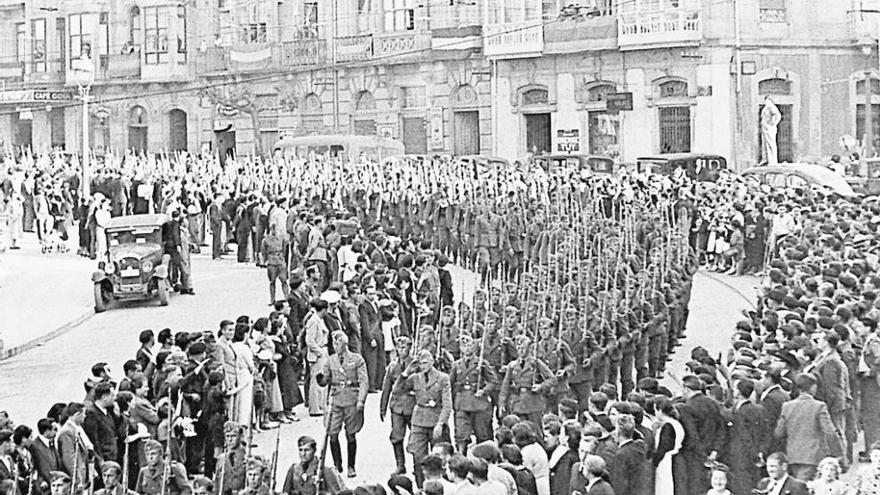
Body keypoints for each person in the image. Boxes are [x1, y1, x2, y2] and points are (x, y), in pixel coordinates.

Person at [396, 350, 452, 488]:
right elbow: (397, 390)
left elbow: (447, 405)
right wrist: (406, 372)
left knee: (439, 457)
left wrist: (440, 423)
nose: (423, 365)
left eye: (425, 362)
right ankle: (422, 487)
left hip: (435, 420)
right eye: (420, 363)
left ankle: (441, 486)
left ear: (432, 362)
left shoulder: (442, 378)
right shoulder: (415, 378)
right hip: (419, 420)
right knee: (418, 457)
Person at [316, 332, 368, 478]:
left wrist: (361, 400)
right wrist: (321, 379)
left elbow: (364, 381)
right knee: (332, 433)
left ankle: (351, 466)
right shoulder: (330, 360)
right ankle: (337, 465)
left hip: (351, 399)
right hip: (336, 400)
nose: (335, 346)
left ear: (345, 345)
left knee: (351, 434)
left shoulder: (357, 359)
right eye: (334, 344)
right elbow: (325, 379)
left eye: (338, 343)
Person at [774, 373, 840, 481]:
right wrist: (837, 453)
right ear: (813, 387)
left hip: (792, 455)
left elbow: (779, 433)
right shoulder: (819, 406)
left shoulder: (787, 406)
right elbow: (829, 432)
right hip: (814, 455)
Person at [448, 334, 497, 454]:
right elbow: (449, 383)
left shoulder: (481, 363)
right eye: (464, 346)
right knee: (461, 435)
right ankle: (461, 460)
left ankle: (483, 460)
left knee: (482, 435)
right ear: (461, 348)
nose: (467, 348)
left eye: (470, 345)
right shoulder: (457, 365)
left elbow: (493, 381)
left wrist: (484, 390)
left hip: (478, 403)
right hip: (462, 403)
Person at [380, 336, 416, 475]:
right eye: (399, 347)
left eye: (404, 347)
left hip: (412, 406)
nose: (402, 350)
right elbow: (386, 388)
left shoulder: (415, 365)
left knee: (415, 437)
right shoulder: (392, 367)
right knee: (396, 436)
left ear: (409, 348)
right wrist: (382, 408)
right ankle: (400, 464)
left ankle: (416, 465)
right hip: (396, 407)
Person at [281, 436, 345, 495]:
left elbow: (336, 493)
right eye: (300, 450)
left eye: (307, 450)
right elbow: (286, 492)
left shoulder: (326, 470)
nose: (303, 454)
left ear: (314, 450)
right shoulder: (293, 469)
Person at [305, 298, 331, 416]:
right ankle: (314, 407)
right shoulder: (313, 321)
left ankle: (321, 405)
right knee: (316, 381)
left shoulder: (319, 320)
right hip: (317, 354)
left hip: (323, 351)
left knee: (322, 380)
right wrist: (319, 352)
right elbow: (309, 340)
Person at [261, 224, 289, 305]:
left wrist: (283, 259)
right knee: (272, 281)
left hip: (280, 260)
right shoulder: (266, 240)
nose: (275, 231)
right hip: (271, 261)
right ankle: (272, 299)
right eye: (273, 229)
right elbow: (263, 251)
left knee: (284, 280)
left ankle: (287, 297)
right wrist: (263, 261)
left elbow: (284, 250)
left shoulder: (281, 239)